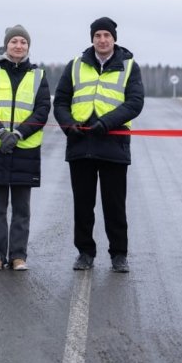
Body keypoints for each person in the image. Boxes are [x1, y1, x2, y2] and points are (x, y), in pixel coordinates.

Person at [53, 17, 144, 273]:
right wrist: (67, 124)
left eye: (106, 35)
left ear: (114, 38)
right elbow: (60, 101)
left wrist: (106, 122)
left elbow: (135, 102)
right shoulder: (75, 66)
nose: (102, 40)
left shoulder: (129, 67)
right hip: (80, 145)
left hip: (113, 144)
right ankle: (84, 252)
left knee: (114, 204)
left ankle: (119, 254)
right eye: (97, 36)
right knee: (83, 204)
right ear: (92, 39)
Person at [0, 25, 50, 271]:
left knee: (21, 208)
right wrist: (0, 132)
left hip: (25, 149)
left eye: (23, 42)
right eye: (14, 41)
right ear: (6, 45)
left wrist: (18, 134)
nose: (18, 46)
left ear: (29, 46)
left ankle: (18, 256)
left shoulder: (38, 76)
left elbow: (42, 111)